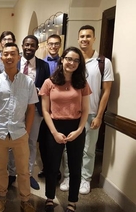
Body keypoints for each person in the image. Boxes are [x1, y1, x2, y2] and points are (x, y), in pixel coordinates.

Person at [60, 25, 114, 195]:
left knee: (88, 149)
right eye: (82, 36)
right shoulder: (72, 61)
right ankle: (68, 176)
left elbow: (106, 91)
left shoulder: (103, 62)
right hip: (71, 114)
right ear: (78, 39)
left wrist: (99, 115)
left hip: (91, 113)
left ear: (94, 39)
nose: (85, 39)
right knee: (68, 148)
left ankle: (85, 179)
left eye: (88, 36)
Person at [39, 46, 91, 212]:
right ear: (62, 60)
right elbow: (45, 110)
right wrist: (54, 132)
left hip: (76, 126)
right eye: (69, 59)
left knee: (75, 166)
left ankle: (73, 201)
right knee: (52, 165)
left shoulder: (82, 83)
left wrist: (79, 130)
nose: (72, 63)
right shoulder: (49, 82)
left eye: (76, 60)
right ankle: (49, 197)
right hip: (54, 126)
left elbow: (85, 110)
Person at [0, 43, 38, 212]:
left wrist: (27, 131)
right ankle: (1, 197)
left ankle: (25, 200)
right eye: (5, 54)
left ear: (18, 57)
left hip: (20, 133)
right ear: (1, 58)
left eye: (12, 54)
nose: (9, 57)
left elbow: (31, 108)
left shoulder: (28, 82)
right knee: (1, 168)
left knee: (23, 171)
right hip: (0, 133)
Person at [8, 35, 50, 190]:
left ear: (37, 47)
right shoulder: (14, 62)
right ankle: (12, 173)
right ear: (22, 45)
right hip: (15, 110)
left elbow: (47, 87)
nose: (29, 48)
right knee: (13, 142)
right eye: (26, 45)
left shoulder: (44, 66)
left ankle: (28, 173)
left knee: (32, 142)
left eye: (32, 45)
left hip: (36, 110)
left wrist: (38, 91)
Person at [38, 34, 62, 180]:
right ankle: (46, 168)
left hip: (60, 108)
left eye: (56, 44)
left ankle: (57, 170)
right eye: (51, 44)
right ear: (47, 45)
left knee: (58, 141)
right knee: (44, 141)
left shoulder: (65, 62)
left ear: (60, 45)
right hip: (44, 107)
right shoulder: (41, 64)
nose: (53, 47)